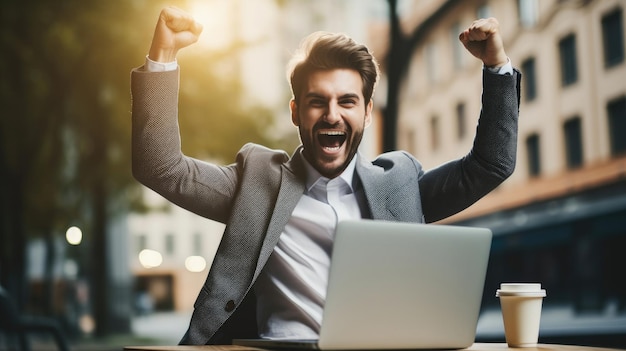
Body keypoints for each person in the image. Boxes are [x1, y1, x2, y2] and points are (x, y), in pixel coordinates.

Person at [131, 6, 520, 345]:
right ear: (296, 112)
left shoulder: (400, 185)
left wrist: (496, 68)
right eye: (318, 101)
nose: (332, 114)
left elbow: (491, 165)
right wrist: (163, 55)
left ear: (367, 112)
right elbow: (161, 167)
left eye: (347, 101)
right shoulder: (256, 183)